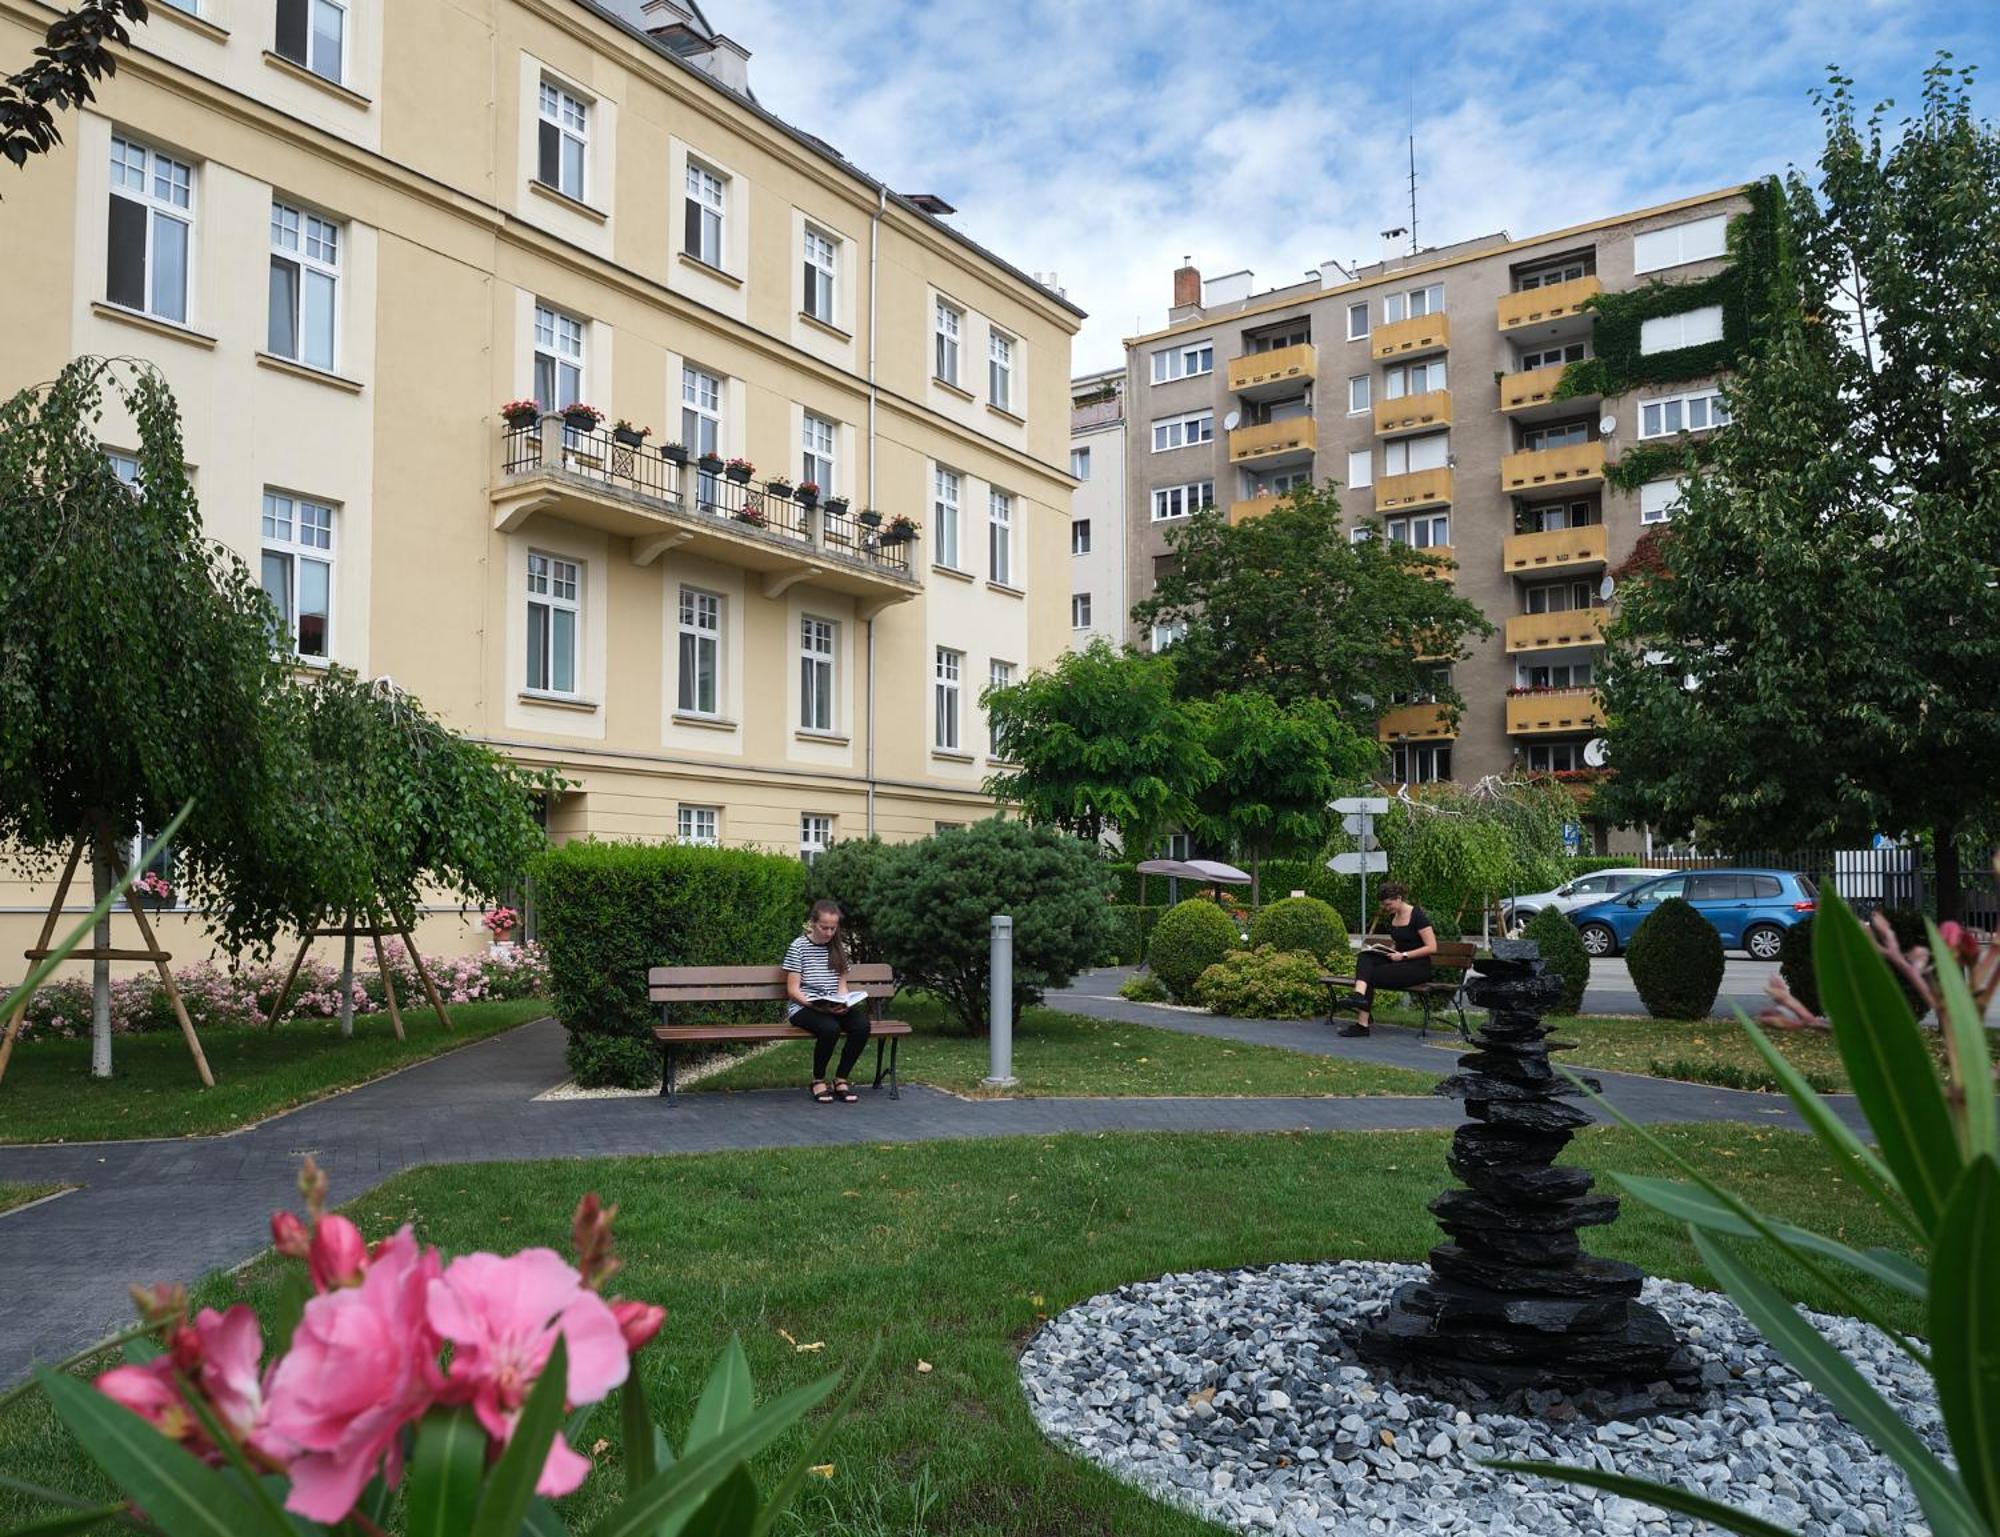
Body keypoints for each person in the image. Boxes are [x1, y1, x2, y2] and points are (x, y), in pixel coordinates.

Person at [782, 899, 871, 1103]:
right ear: (813, 923)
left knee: (861, 1025)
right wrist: (816, 1006)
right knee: (829, 1029)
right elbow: (793, 990)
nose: (829, 933)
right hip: (805, 1006)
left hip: (831, 1004)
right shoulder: (799, 947)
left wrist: (843, 1002)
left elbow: (841, 984)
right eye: (824, 928)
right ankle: (818, 1080)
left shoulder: (837, 947)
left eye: (833, 928)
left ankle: (841, 1079)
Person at [1339, 882, 1436, 1038]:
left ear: (1398, 898)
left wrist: (1404, 955)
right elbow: (1400, 941)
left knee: (1369, 975)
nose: (1386, 908)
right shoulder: (1393, 916)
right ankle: (1358, 996)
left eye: (1388, 904)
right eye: (1384, 905)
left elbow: (1432, 947)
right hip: (1400, 961)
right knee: (1365, 956)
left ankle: (1362, 1024)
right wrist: (1389, 951)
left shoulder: (1417, 916)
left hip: (1418, 967)